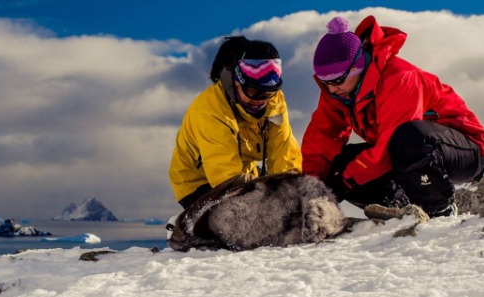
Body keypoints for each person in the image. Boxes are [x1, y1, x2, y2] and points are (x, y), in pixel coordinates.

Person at [302, 15, 484, 217]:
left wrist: (345, 182)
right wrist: (313, 185)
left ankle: (439, 210)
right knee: (339, 164)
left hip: (464, 154)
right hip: (404, 156)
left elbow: (389, 146)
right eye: (325, 81)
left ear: (358, 67)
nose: (332, 88)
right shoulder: (338, 92)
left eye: (337, 80)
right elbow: (323, 137)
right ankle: (397, 204)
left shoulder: (398, 77)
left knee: (408, 137)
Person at [169, 36, 302, 209]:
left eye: (269, 93)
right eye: (254, 91)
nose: (261, 100)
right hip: (199, 183)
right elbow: (225, 177)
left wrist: (287, 191)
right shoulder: (210, 110)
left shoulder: (274, 103)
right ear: (236, 80)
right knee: (244, 219)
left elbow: (283, 150)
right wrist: (266, 194)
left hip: (244, 176)